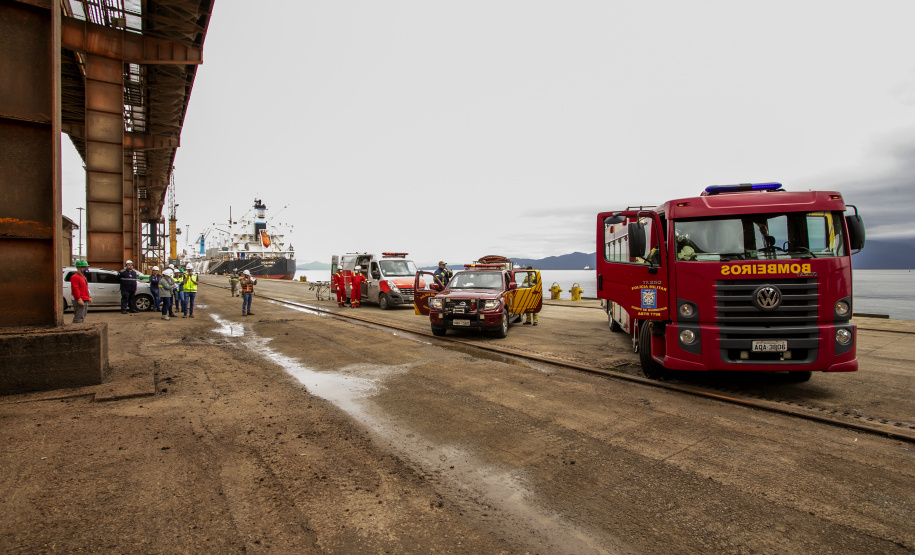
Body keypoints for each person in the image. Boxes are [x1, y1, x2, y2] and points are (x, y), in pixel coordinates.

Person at [70, 259, 92, 324]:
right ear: (79, 268)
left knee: (83, 316)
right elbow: (75, 289)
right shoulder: (75, 277)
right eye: (84, 267)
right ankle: (75, 330)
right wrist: (79, 299)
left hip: (84, 299)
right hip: (79, 299)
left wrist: (88, 297)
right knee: (79, 317)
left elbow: (85, 288)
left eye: (86, 267)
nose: (86, 269)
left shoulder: (83, 277)